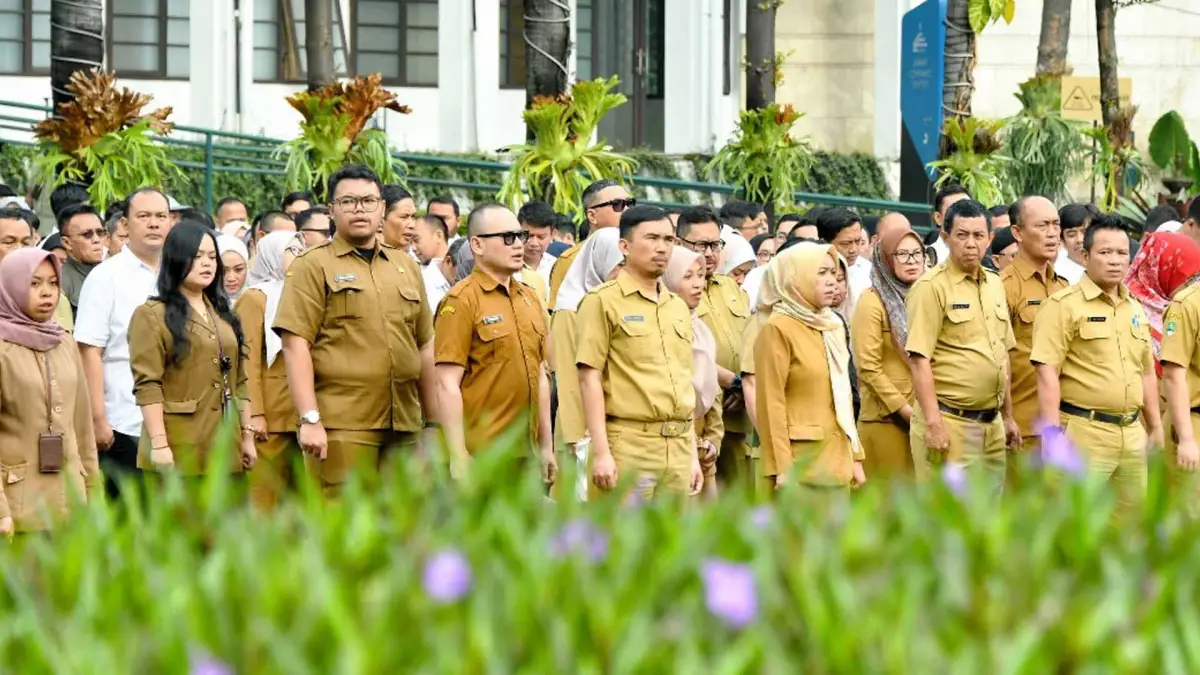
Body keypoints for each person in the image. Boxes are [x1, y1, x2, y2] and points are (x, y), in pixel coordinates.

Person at [273, 165, 436, 498]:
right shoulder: (312, 264)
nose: (359, 209)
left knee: (403, 528)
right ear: (331, 209)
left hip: (404, 423)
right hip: (341, 424)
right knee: (345, 529)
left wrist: (433, 423)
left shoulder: (405, 266)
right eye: (348, 201)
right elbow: (295, 345)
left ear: (381, 208)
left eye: (368, 201)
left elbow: (424, 347)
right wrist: (310, 418)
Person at [1031, 215, 1161, 518]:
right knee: (1076, 524)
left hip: (1130, 433)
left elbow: (1145, 372)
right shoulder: (1064, 305)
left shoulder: (1135, 308)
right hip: (1084, 432)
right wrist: (1052, 438)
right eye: (1105, 253)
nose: (1114, 261)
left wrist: (1154, 427)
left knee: (1129, 528)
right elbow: (1046, 370)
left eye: (1121, 253)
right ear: (1085, 256)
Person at [576, 205, 702, 501]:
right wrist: (602, 453)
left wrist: (692, 455)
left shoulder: (677, 306)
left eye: (669, 240)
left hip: (679, 445)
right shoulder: (602, 301)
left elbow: (684, 381)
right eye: (651, 238)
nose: (662, 248)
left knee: (674, 544)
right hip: (629, 444)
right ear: (625, 246)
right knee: (623, 542)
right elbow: (588, 378)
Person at [905, 199, 1019, 496]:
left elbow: (1001, 354)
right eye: (962, 235)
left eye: (979, 236)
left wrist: (1007, 416)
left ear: (990, 239)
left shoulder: (994, 284)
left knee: (988, 521)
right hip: (950, 421)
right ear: (945, 237)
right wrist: (933, 424)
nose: (971, 244)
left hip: (991, 425)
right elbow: (919, 360)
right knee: (946, 522)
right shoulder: (931, 287)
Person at [434, 203, 553, 482]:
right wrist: (457, 454)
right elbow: (446, 383)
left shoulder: (530, 297)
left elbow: (541, 375)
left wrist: (546, 446)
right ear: (477, 244)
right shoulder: (461, 301)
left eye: (520, 236)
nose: (518, 246)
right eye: (507, 237)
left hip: (527, 451)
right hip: (482, 453)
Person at [129, 221, 256, 477]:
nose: (207, 263)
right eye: (197, 256)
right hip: (179, 442)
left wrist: (246, 435)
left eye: (211, 256)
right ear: (176, 259)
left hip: (225, 442)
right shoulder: (152, 315)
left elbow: (239, 380)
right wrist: (159, 443)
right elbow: (148, 384)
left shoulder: (223, 313)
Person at [75, 187, 172, 498]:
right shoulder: (107, 276)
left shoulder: (178, 275)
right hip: (124, 420)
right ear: (126, 225)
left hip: (175, 421)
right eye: (144, 216)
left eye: (161, 216)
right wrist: (98, 418)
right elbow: (90, 349)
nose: (154, 223)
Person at [0, 249, 100, 535]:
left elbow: (83, 427)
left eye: (53, 283)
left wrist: (93, 490)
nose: (46, 293)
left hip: (72, 500)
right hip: (19, 507)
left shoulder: (63, 341)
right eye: (34, 284)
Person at [756, 242, 866, 495]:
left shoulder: (831, 325)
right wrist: (781, 468)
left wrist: (855, 457)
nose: (832, 282)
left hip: (837, 461)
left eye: (834, 274)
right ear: (796, 278)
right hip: (800, 465)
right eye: (821, 273)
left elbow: (844, 398)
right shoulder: (778, 328)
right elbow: (771, 403)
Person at [677, 207, 754, 490]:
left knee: (738, 498)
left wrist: (746, 382)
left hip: (740, 412)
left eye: (715, 244)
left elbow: (749, 338)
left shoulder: (729, 287)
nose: (709, 253)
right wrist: (733, 383)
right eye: (700, 245)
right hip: (701, 416)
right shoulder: (674, 288)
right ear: (679, 244)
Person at [551, 228, 623, 501]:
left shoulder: (611, 304)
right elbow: (570, 381)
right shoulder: (571, 309)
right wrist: (579, 441)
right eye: (619, 265)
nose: (623, 273)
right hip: (580, 432)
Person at [235, 231, 306, 508]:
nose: (299, 256)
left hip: (299, 414)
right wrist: (256, 415)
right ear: (272, 255)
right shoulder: (255, 298)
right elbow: (247, 360)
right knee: (264, 496)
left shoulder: (304, 293)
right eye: (291, 251)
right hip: (271, 417)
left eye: (302, 250)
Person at [1000, 195, 1069, 465]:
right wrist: (1006, 416)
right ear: (1017, 232)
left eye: (1055, 225)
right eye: (1042, 226)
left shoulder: (1064, 287)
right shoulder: (1003, 287)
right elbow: (999, 356)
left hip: (1065, 425)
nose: (1052, 234)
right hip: (1024, 426)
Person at [851, 227, 923, 480]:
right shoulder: (871, 301)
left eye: (917, 253)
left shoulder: (926, 297)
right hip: (886, 419)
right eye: (901, 254)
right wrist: (904, 410)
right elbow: (868, 367)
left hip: (926, 415)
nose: (911, 261)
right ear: (885, 259)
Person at [1124, 231, 1200, 376]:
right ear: (1162, 273)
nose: (1194, 286)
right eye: (1190, 279)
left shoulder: (1188, 308)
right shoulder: (1125, 309)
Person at [548, 179, 632, 306]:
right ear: (592, 216)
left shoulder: (637, 252)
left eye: (630, 203)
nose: (627, 210)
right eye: (618, 204)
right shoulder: (571, 260)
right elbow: (561, 311)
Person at [57, 203, 106, 314]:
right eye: (87, 234)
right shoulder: (59, 283)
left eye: (100, 232)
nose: (96, 240)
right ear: (67, 243)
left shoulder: (113, 273)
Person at [413, 214, 452, 310]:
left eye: (416, 240)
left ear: (438, 236)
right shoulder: (417, 278)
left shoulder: (464, 265)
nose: (413, 248)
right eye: (410, 242)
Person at [927, 185, 970, 271]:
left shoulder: (986, 257)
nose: (963, 216)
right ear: (938, 218)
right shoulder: (926, 260)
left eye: (968, 209)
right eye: (954, 210)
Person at [518, 200, 558, 282]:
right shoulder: (503, 266)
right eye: (529, 236)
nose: (534, 243)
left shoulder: (557, 267)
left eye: (541, 237)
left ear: (552, 234)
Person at [1056, 203, 1096, 284]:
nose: (1080, 240)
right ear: (1061, 240)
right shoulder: (1057, 275)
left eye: (1085, 232)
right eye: (1071, 235)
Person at [381, 185, 417, 251]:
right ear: (381, 218)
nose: (412, 225)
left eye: (413, 217)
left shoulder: (416, 259)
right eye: (404, 217)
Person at [217, 234, 250, 300]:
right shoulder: (203, 304)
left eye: (238, 269)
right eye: (223, 271)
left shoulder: (257, 299)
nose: (231, 279)